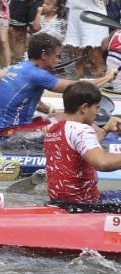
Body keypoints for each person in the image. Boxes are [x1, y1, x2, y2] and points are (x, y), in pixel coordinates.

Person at [0, 31, 111, 136]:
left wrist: (52, 111)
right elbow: (81, 89)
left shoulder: (19, 67)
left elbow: (31, 102)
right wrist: (107, 77)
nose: (58, 61)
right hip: (14, 133)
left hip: (7, 129)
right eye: (57, 56)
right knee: (78, 115)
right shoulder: (38, 74)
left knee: (61, 114)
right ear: (44, 55)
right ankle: (106, 138)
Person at [43, 79, 121, 211]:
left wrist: (106, 129)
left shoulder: (54, 129)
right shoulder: (81, 129)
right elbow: (102, 163)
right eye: (96, 108)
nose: (97, 113)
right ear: (84, 107)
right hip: (87, 205)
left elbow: (82, 148)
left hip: (59, 203)